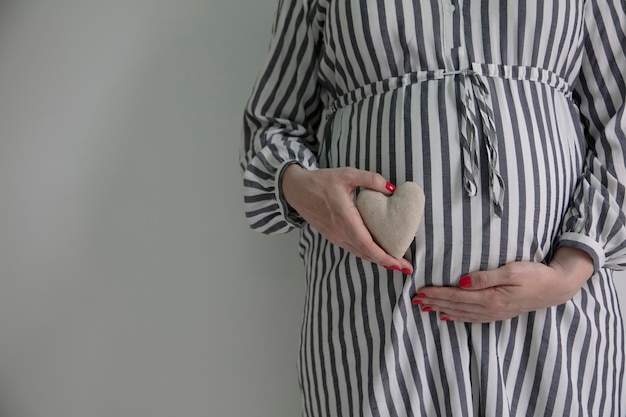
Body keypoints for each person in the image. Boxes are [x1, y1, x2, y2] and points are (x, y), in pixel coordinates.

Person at [240, 1, 626, 416]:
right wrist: (303, 188)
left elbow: (619, 117)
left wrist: (569, 270)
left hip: (555, 316)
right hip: (375, 316)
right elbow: (271, 127)